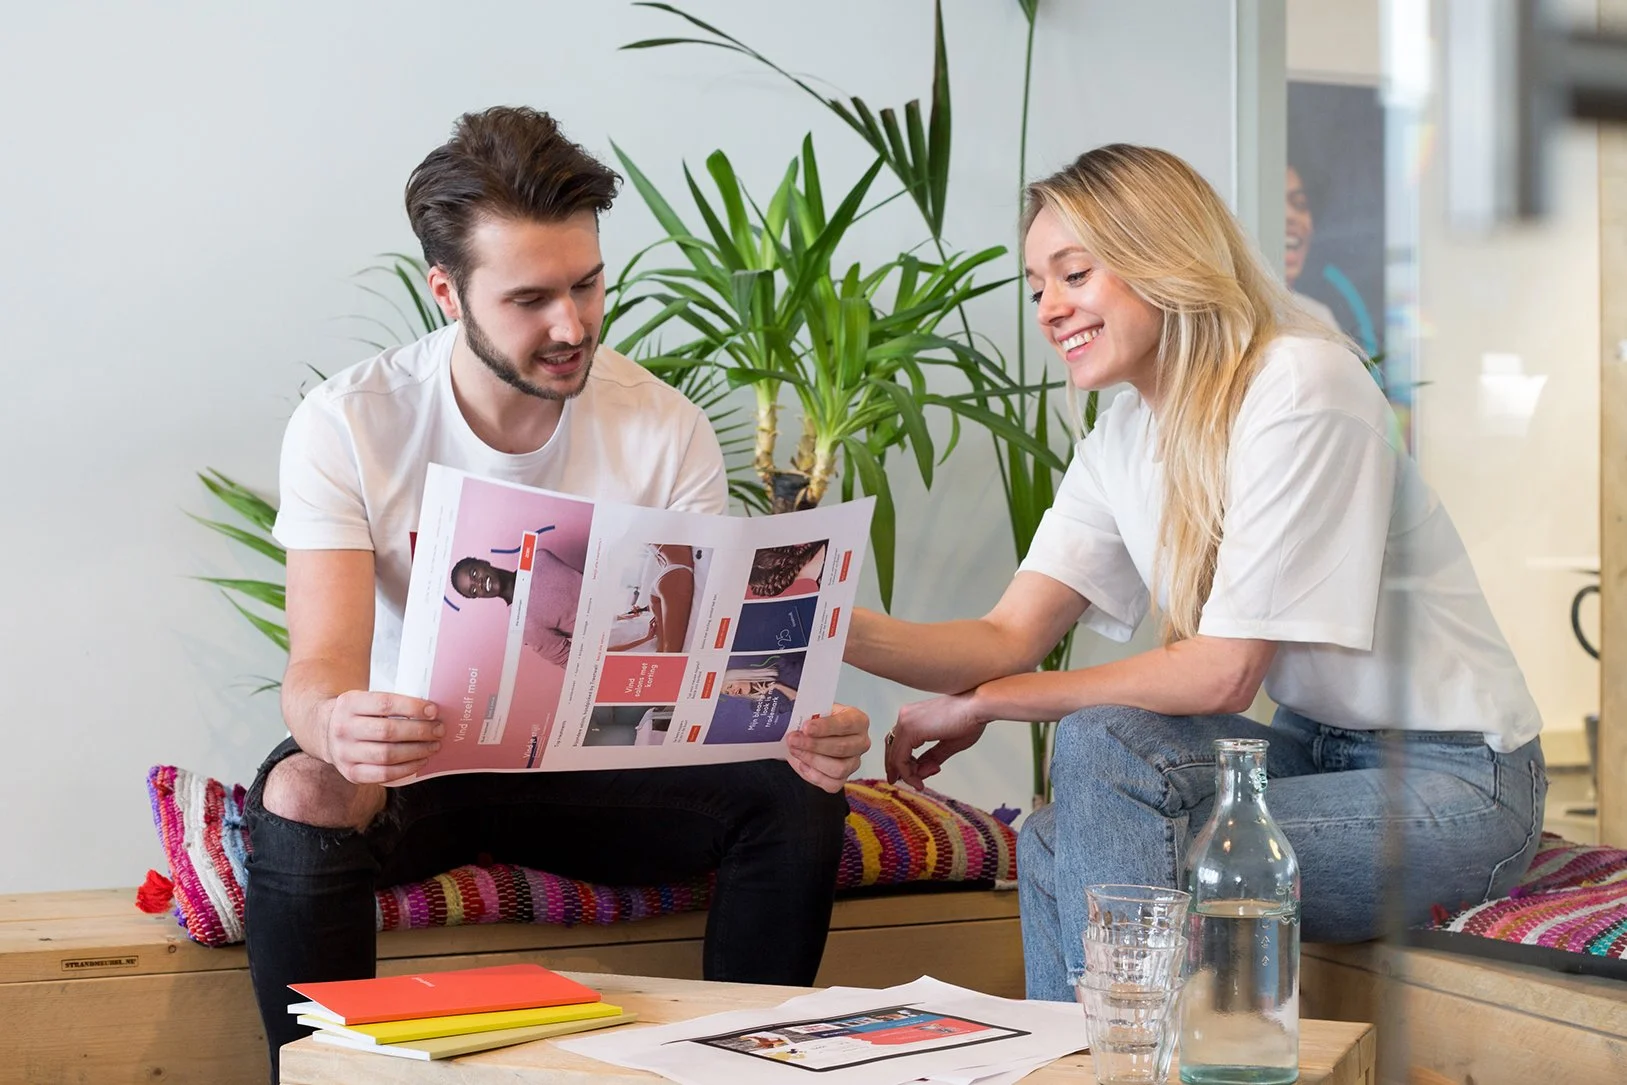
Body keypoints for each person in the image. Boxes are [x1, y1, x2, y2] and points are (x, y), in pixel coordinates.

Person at [244, 105, 872, 1079]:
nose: (570, 324)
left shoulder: (661, 427)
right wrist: (340, 721)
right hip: (423, 770)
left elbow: (711, 672)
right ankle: (323, 1073)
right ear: (445, 291)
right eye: (531, 298)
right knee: (302, 784)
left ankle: (752, 1064)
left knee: (800, 789)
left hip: (602, 772)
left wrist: (791, 721)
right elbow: (315, 674)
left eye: (587, 284)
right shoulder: (350, 423)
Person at [844, 144, 1546, 1002]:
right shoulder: (1121, 437)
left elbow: (1221, 670)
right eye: (1036, 287)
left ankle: (1118, 1052)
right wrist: (823, 623)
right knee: (1056, 838)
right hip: (1303, 753)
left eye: (1073, 274)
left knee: (1095, 763)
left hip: (1456, 780)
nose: (1048, 308)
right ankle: (1095, 1053)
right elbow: (1004, 636)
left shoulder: (1301, 383)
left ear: (1160, 257)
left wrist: (991, 699)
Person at [449, 550, 583, 665]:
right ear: (478, 597)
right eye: (473, 590)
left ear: (483, 562)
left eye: (474, 573)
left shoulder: (539, 558)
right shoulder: (521, 624)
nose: (479, 583)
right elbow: (568, 659)